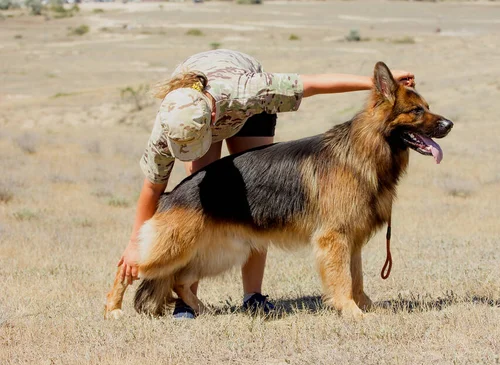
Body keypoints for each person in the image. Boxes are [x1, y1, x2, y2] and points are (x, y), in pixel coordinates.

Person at [118, 49, 415, 318]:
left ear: (209, 115)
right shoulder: (170, 123)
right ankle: (187, 298)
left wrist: (374, 85)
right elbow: (152, 188)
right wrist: (135, 246)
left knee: (257, 199)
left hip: (247, 108)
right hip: (196, 110)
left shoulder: (251, 90)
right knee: (207, 198)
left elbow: (311, 84)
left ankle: (253, 296)